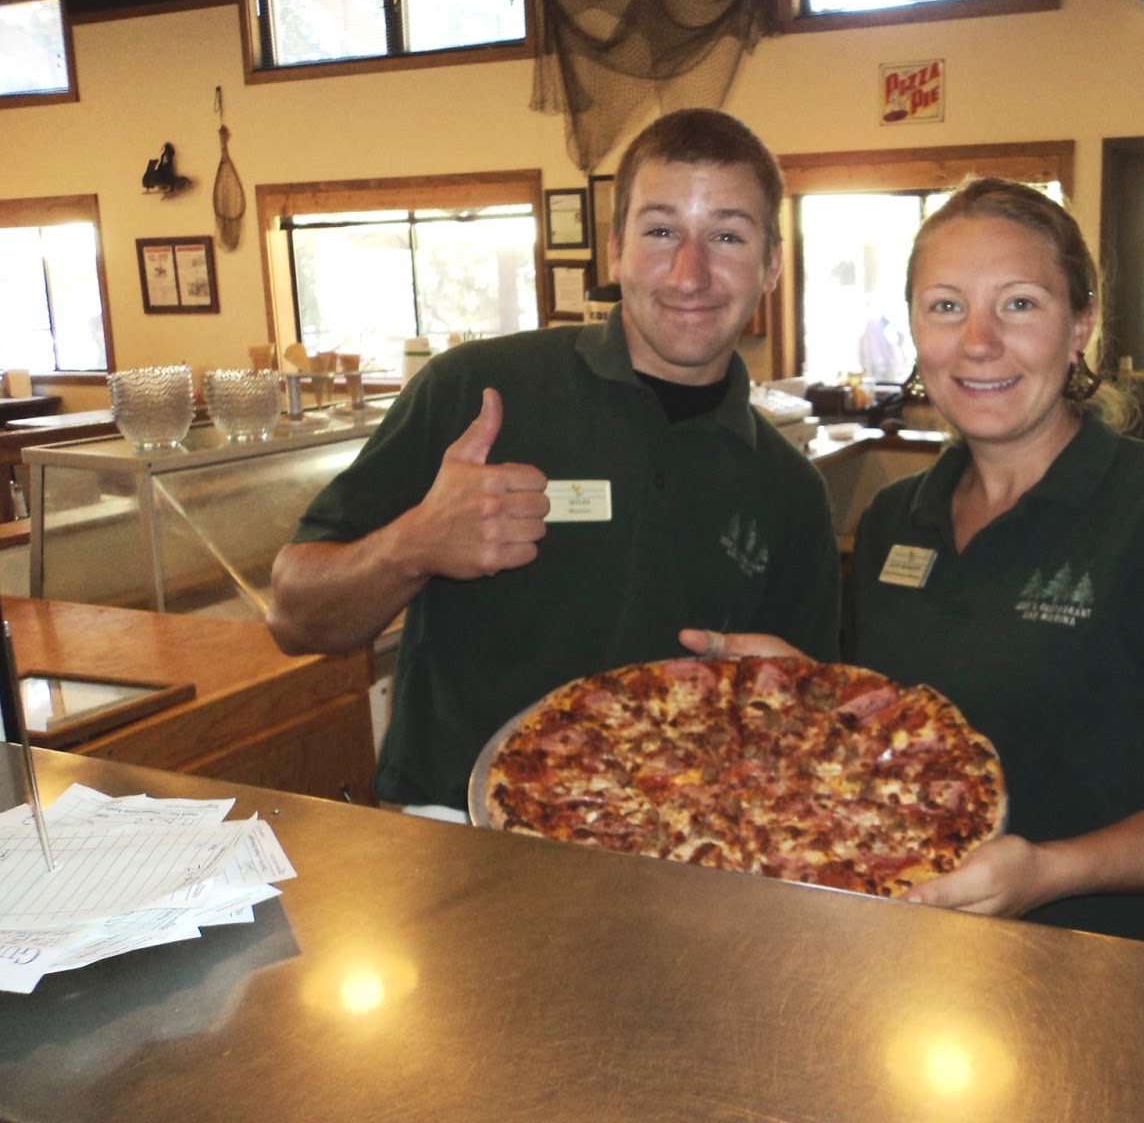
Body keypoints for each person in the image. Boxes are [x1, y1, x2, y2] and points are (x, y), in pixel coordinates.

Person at [683, 178, 1144, 950]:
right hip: (910, 948)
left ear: (1080, 324)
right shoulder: (892, 521)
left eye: (1018, 304)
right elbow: (908, 738)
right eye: (945, 306)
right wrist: (813, 692)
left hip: (1107, 963)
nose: (977, 342)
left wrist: (1049, 871)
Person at [268, 108, 841, 813]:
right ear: (615, 250)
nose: (690, 273)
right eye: (661, 232)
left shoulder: (791, 492)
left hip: (683, 857)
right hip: (455, 834)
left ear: (772, 265)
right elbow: (294, 616)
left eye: (727, 236)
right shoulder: (475, 393)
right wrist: (411, 546)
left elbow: (809, 721)